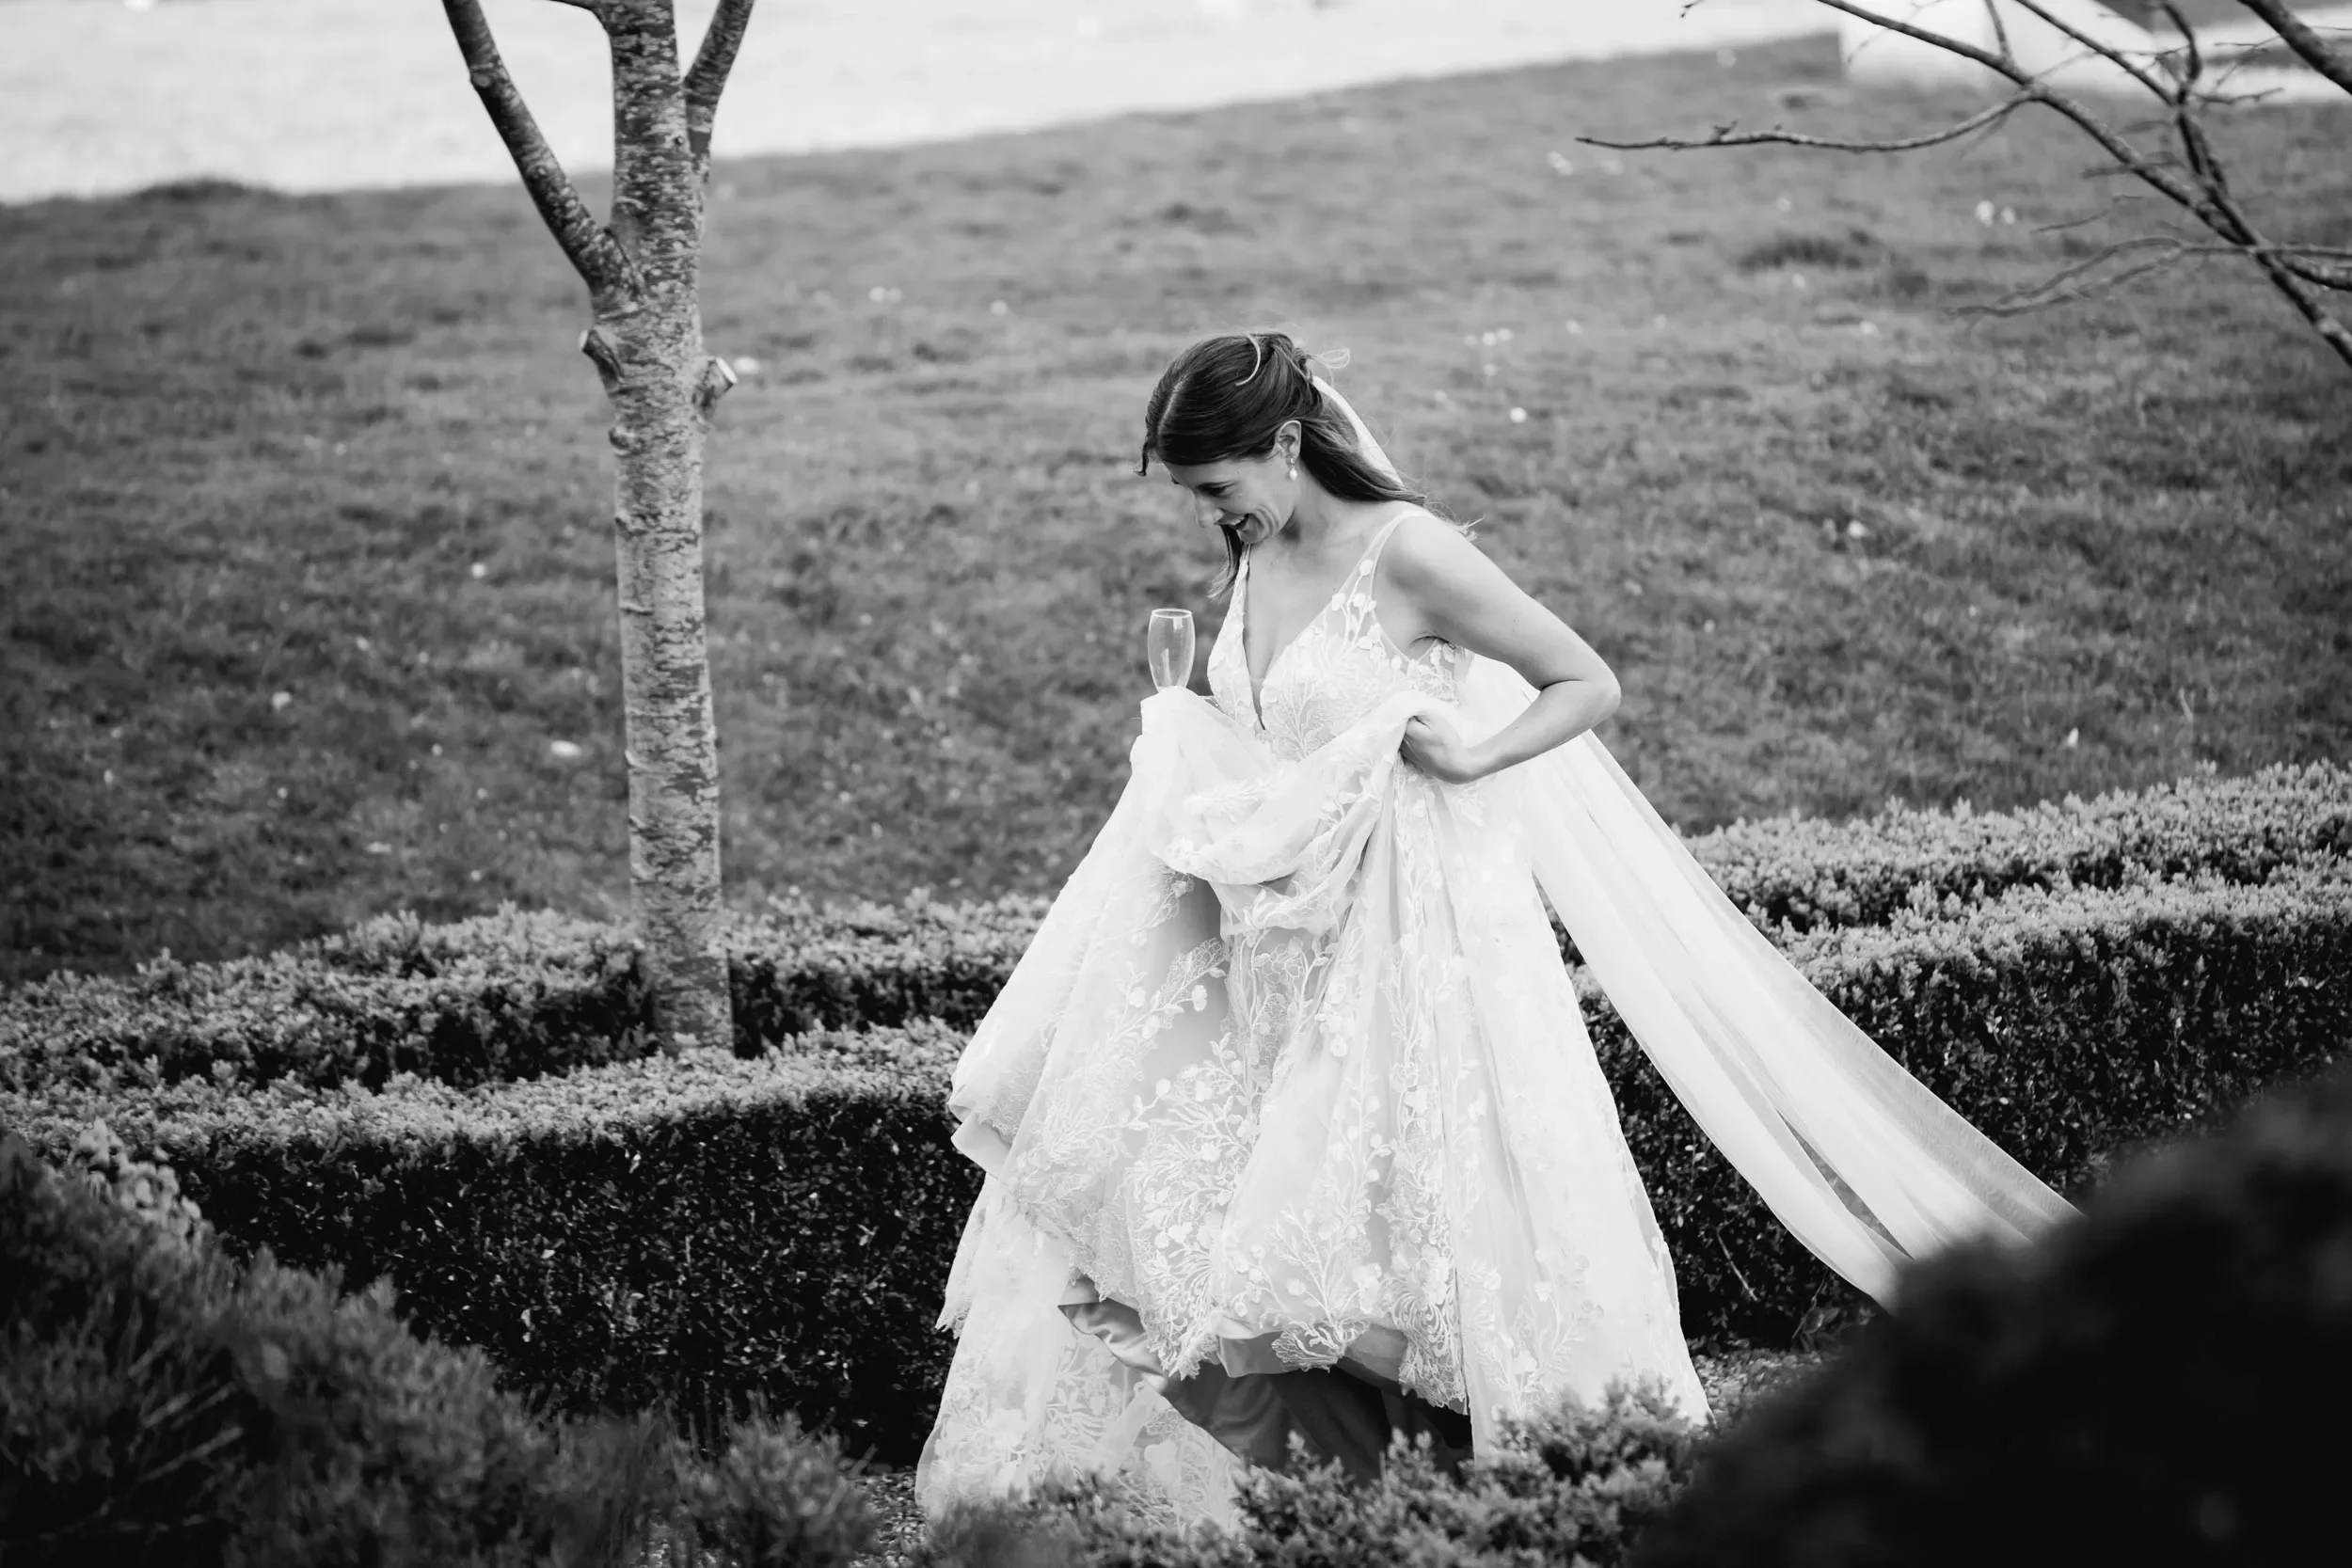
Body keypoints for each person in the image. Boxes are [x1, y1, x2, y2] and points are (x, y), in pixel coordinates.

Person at [914, 331, 2075, 1528]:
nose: (1211, 514)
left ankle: (1523, 1482)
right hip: (1285, 947)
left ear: (1287, 443)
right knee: (1239, 1212)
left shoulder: (1409, 555)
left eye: (1218, 486)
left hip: (1411, 940)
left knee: (1421, 1222)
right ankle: (1324, 1505)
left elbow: (1584, 680)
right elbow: (1276, 742)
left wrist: (1472, 752)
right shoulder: (1255, 561)